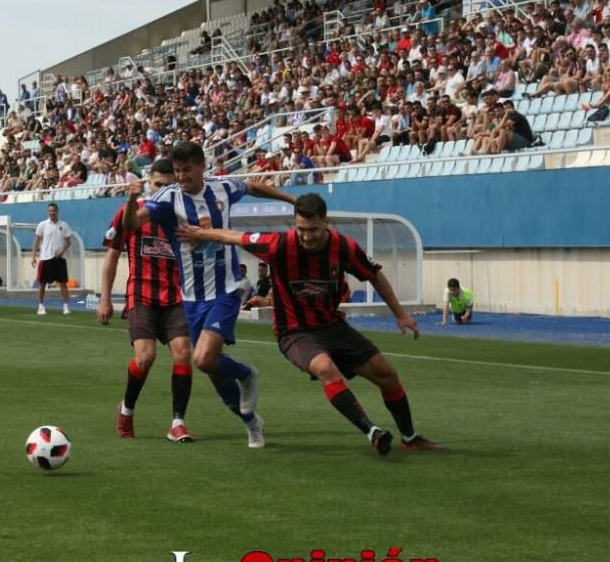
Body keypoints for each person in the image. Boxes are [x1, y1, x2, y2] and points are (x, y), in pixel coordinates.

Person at [176, 193, 442, 456]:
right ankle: (371, 431)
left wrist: (400, 314)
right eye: (300, 229)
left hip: (333, 327)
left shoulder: (344, 247)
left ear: (326, 222)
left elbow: (374, 276)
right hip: (294, 331)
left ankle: (410, 437)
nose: (306, 236)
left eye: (312, 229)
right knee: (326, 368)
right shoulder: (279, 245)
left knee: (387, 375)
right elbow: (233, 237)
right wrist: (200, 234)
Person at [122, 141, 298, 449]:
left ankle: (247, 373)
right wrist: (131, 199)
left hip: (226, 289)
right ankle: (252, 423)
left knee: (202, 359)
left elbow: (253, 187)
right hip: (191, 297)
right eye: (177, 171)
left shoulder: (223, 187)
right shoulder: (167, 198)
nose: (181, 176)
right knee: (215, 371)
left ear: (202, 166)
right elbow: (133, 223)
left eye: (186, 170)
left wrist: (291, 200)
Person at [99, 158, 194, 442]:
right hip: (141, 295)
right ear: (149, 185)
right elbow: (112, 256)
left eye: (169, 186)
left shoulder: (182, 217)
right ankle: (127, 410)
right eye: (158, 185)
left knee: (183, 353)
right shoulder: (131, 214)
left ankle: (178, 422)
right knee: (145, 357)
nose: (162, 190)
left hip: (176, 297)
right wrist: (105, 298)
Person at [31, 202, 72, 315]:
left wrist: (61, 251)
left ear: (57, 211)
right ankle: (40, 306)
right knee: (42, 284)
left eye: (54, 210)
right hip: (45, 258)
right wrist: (33, 256)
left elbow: (68, 242)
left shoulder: (64, 225)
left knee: (63, 283)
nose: (52, 212)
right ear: (48, 212)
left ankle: (65, 306)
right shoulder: (42, 225)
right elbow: (36, 242)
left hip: (59, 259)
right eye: (50, 211)